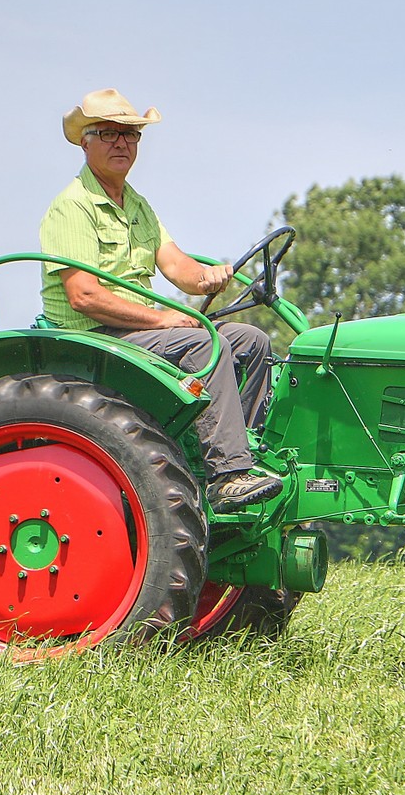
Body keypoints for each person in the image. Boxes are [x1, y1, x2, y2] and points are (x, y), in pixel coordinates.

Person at [39, 88, 281, 511]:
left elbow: (175, 265)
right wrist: (160, 319)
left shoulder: (137, 205)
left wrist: (206, 278)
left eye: (130, 134)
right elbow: (84, 295)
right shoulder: (73, 206)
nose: (122, 143)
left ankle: (248, 455)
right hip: (96, 335)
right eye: (109, 133)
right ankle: (226, 475)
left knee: (251, 340)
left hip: (134, 330)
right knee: (206, 344)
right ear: (85, 142)